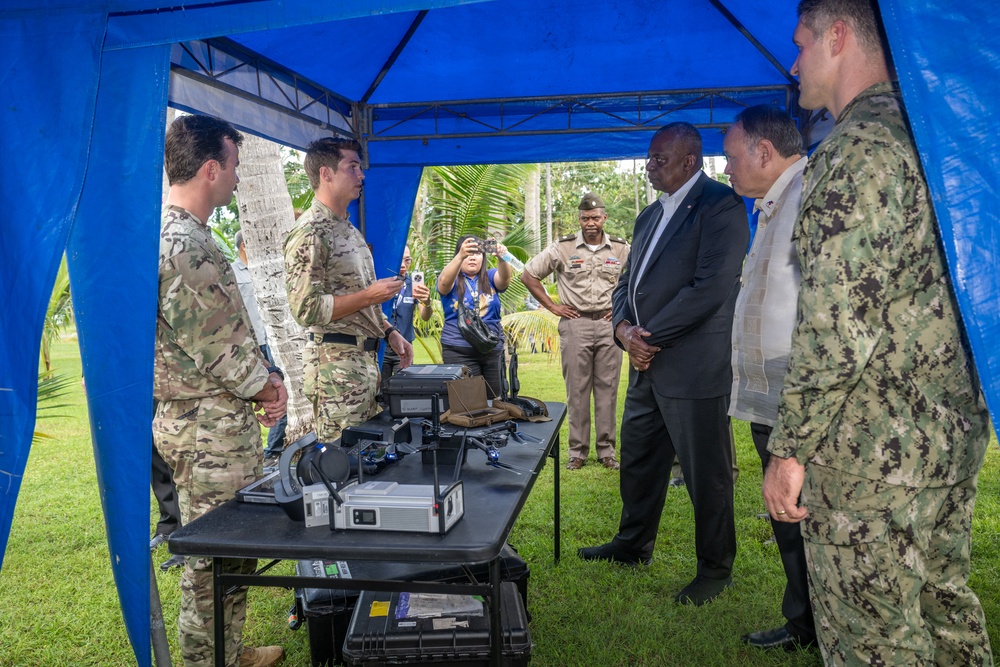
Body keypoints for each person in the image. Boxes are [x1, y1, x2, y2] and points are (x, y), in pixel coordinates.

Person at [762, 0, 993, 664]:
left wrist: (791, 450)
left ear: (839, 37)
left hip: (870, 462)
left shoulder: (859, 148)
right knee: (945, 617)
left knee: (875, 643)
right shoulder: (938, 134)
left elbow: (839, 325)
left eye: (803, 43)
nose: (795, 60)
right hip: (944, 441)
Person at [578, 122, 749, 607]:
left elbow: (711, 287)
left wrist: (646, 337)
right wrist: (622, 330)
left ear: (689, 161)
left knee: (705, 473)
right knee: (639, 459)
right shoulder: (648, 216)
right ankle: (633, 545)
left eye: (658, 159)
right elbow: (624, 286)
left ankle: (715, 569)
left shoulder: (721, 206)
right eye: (650, 159)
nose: (649, 166)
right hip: (645, 362)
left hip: (693, 364)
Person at [154, 114, 288, 667]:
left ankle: (228, 653)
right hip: (204, 430)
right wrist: (267, 388)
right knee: (210, 561)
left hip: (217, 423)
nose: (236, 178)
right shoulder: (184, 246)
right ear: (212, 168)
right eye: (233, 166)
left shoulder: (193, 238)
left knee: (231, 552)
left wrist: (260, 384)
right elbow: (218, 346)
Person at [722, 105, 815, 651]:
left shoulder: (809, 196)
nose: (728, 168)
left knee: (801, 513)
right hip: (772, 394)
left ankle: (815, 624)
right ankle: (803, 621)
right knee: (788, 517)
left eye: (733, 157)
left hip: (797, 395)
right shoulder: (774, 202)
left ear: (763, 152)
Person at [284, 137, 413, 443]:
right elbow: (305, 309)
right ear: (326, 174)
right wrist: (371, 296)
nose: (361, 175)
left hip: (362, 364)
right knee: (344, 469)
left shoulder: (348, 230)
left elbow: (355, 295)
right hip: (334, 370)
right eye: (352, 167)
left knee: (367, 463)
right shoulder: (310, 232)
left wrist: (389, 332)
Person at [522, 192, 630, 471]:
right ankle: (577, 452)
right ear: (579, 219)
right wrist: (552, 306)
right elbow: (529, 274)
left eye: (595, 217)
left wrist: (623, 310)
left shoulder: (620, 249)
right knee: (577, 390)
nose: (590, 223)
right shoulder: (563, 248)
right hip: (575, 324)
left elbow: (636, 279)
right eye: (585, 218)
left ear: (604, 218)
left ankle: (607, 451)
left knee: (608, 390)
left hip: (609, 327)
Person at [232, 231, 287, 461]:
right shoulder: (231, 273)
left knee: (279, 391)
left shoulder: (264, 271)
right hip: (249, 345)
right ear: (244, 246)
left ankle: (273, 449)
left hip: (271, 339)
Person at [436, 235, 513, 398]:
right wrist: (460, 256)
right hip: (459, 350)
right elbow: (443, 283)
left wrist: (502, 258)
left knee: (495, 398)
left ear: (483, 258)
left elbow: (505, 280)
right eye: (468, 252)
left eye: (477, 253)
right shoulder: (452, 278)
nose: (472, 257)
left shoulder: (490, 277)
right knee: (468, 402)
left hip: (491, 349)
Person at [380, 245, 433, 388]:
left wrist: (427, 302)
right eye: (399, 260)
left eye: (407, 260)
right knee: (379, 390)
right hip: (381, 346)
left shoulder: (413, 284)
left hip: (404, 348)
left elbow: (425, 316)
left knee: (402, 389)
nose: (403, 265)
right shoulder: (381, 283)